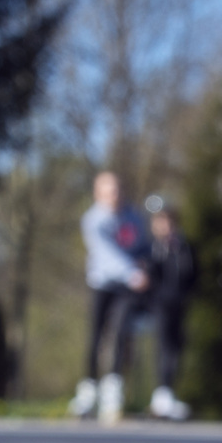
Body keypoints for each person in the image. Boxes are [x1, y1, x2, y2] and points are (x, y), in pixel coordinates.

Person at [69, 172, 149, 423]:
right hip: (102, 283)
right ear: (98, 193)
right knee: (96, 336)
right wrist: (133, 273)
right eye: (109, 191)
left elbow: (143, 246)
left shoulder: (133, 217)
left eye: (118, 190)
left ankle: (113, 393)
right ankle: (88, 392)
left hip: (126, 288)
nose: (115, 195)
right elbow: (106, 253)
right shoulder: (93, 219)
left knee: (120, 334)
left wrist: (145, 266)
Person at [143, 199, 197, 420]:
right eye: (160, 220)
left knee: (177, 348)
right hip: (159, 305)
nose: (165, 225)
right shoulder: (151, 248)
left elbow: (194, 275)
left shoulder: (185, 247)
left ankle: (168, 393)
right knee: (163, 347)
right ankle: (161, 393)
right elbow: (149, 278)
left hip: (180, 305)